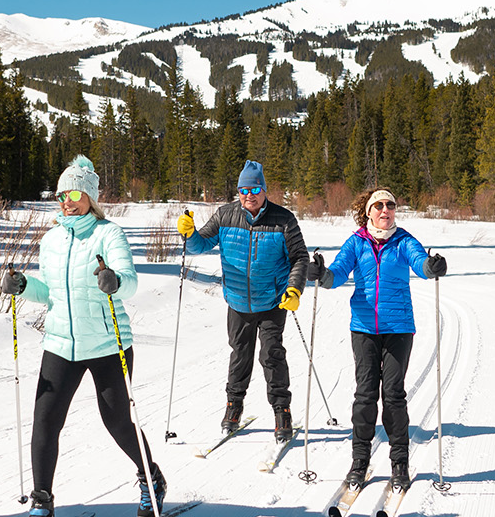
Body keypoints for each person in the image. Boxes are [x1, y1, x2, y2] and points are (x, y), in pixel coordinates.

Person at [0, 156, 164, 517]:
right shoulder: (52, 239)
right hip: (60, 343)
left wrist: (114, 279)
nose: (67, 202)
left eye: (75, 193)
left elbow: (129, 284)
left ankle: (150, 477)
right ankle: (41, 505)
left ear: (90, 196)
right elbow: (50, 293)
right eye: (62, 195)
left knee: (117, 422)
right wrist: (24, 286)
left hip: (108, 344)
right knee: (45, 421)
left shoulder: (109, 234)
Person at [307, 187, 446, 492]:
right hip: (365, 329)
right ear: (368, 211)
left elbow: (421, 264)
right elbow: (338, 274)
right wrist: (319, 273)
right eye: (379, 205)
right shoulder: (356, 242)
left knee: (394, 394)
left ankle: (399, 464)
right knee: (366, 394)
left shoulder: (404, 240)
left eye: (391, 205)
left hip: (399, 328)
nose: (386, 210)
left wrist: (432, 267)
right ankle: (359, 463)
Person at [176, 160, 308, 442]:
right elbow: (200, 245)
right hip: (237, 301)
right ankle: (233, 406)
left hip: (273, 301)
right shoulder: (225, 215)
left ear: (264, 190)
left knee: (271, 355)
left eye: (255, 188)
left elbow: (300, 258)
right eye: (244, 189)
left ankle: (281, 409)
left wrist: (294, 289)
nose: (249, 195)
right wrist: (189, 234)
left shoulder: (284, 219)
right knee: (240, 356)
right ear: (238, 191)